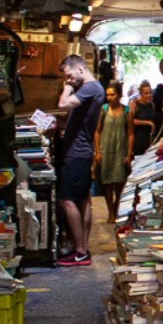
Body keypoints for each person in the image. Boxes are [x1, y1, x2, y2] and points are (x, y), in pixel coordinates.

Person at [56, 54, 104, 267]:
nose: (68, 80)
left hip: (77, 153)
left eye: (69, 75)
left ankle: (80, 251)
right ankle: (82, 248)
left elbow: (63, 104)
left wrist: (67, 87)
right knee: (83, 200)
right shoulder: (94, 89)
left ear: (80, 70)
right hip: (82, 151)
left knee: (66, 199)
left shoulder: (90, 88)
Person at [94, 81, 128, 223]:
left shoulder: (127, 111)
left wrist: (129, 153)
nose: (109, 97)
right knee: (108, 182)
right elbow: (97, 132)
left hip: (120, 148)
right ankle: (110, 212)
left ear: (119, 95)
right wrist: (97, 151)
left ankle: (116, 206)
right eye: (107, 95)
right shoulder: (103, 110)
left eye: (112, 95)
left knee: (120, 182)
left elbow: (130, 133)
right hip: (106, 149)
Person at [128, 81, 157, 164]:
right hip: (137, 138)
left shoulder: (151, 105)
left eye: (150, 93)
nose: (149, 95)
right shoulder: (134, 104)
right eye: (146, 93)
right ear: (141, 93)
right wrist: (147, 123)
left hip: (148, 138)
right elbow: (130, 120)